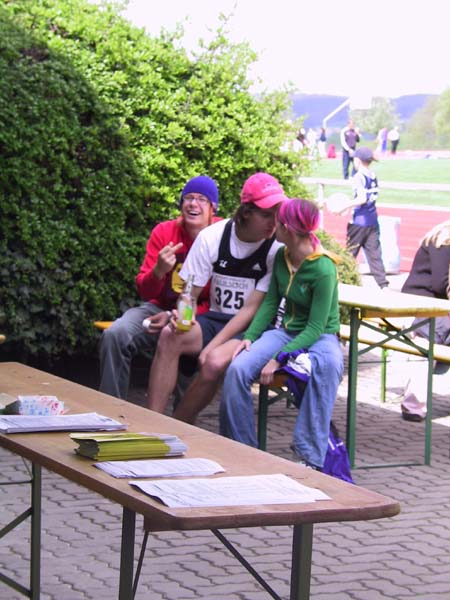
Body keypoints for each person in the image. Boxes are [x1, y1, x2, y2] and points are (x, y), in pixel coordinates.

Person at [146, 172, 287, 415]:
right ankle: (152, 420)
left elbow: (250, 310)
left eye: (277, 215)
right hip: (216, 318)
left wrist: (212, 346)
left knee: (213, 361)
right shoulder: (212, 236)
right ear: (246, 212)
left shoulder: (278, 248)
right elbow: (189, 293)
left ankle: (179, 425)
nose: (273, 223)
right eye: (266, 215)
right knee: (170, 335)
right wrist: (184, 314)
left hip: (255, 327)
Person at [219, 198, 344, 470]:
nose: (272, 225)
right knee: (237, 368)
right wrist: (250, 336)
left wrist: (279, 358)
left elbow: (316, 327)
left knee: (330, 365)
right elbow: (271, 303)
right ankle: (241, 449)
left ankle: (309, 457)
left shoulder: (324, 268)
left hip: (321, 335)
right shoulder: (281, 256)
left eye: (277, 221)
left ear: (288, 229)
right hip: (287, 331)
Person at [98, 175, 221, 399]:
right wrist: (158, 271)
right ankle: (110, 407)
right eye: (188, 198)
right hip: (157, 309)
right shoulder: (164, 232)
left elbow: (218, 303)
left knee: (184, 354)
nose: (193, 204)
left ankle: (180, 418)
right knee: (116, 334)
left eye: (202, 199)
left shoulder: (222, 237)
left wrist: (176, 315)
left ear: (213, 208)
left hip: (201, 316)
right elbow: (145, 292)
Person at [399, 220, 450, 421]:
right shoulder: (442, 243)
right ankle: (414, 405)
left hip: (432, 309)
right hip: (418, 308)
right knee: (428, 341)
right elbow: (440, 284)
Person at [343, 146, 389, 289]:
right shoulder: (373, 175)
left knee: (349, 255)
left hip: (359, 222)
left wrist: (343, 206)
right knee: (375, 256)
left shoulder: (358, 177)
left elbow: (362, 199)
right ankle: (384, 286)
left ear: (357, 160)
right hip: (372, 221)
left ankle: (342, 283)